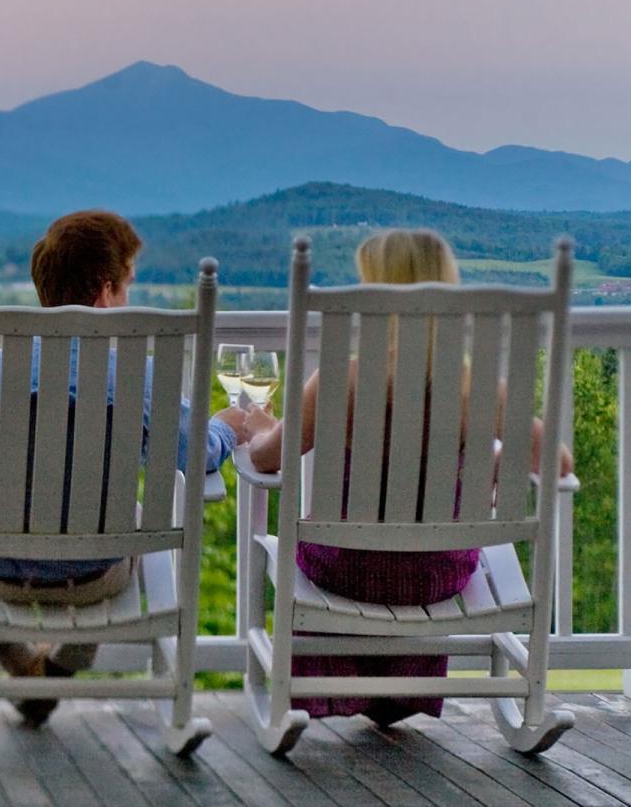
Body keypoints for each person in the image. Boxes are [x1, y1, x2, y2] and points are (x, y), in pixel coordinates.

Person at [0, 210, 248, 725]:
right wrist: (229, 425)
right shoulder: (136, 374)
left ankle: (21, 665)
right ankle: (61, 666)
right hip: (98, 579)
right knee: (131, 512)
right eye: (126, 288)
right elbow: (198, 454)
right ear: (104, 291)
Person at [239, 228, 574, 725]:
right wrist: (503, 459)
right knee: (427, 558)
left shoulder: (340, 378)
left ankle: (331, 693)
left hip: (343, 569)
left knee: (300, 542)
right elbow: (559, 463)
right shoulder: (478, 389)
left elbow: (267, 460)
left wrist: (257, 426)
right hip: (436, 576)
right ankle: (396, 695)